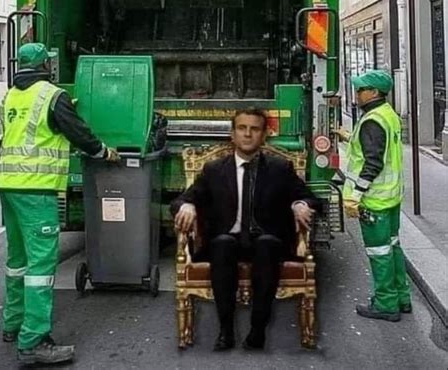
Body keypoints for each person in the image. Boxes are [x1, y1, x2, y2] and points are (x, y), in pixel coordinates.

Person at [0, 42, 120, 365]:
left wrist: (63, 112)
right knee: (40, 268)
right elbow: (79, 134)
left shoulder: (11, 95)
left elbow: (27, 131)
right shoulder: (52, 96)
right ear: (45, 67)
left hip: (9, 187)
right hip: (37, 190)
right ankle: (33, 341)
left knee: (17, 260)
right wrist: (104, 152)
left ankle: (12, 323)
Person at [171, 108, 320, 351]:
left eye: (254, 129)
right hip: (226, 241)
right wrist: (187, 205)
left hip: (267, 242)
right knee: (222, 244)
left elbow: (311, 199)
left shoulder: (280, 168)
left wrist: (300, 204)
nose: (247, 134)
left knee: (267, 243)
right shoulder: (214, 169)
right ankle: (226, 330)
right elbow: (182, 200)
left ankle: (258, 330)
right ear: (233, 134)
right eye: (242, 128)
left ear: (264, 135)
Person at [342, 70, 411, 322]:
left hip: (375, 202)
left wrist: (355, 195)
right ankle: (402, 299)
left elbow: (373, 162)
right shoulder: (388, 114)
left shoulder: (372, 120)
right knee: (393, 249)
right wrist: (349, 137)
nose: (357, 93)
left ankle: (385, 304)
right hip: (391, 199)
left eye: (361, 89)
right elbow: (376, 146)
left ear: (374, 92)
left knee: (379, 254)